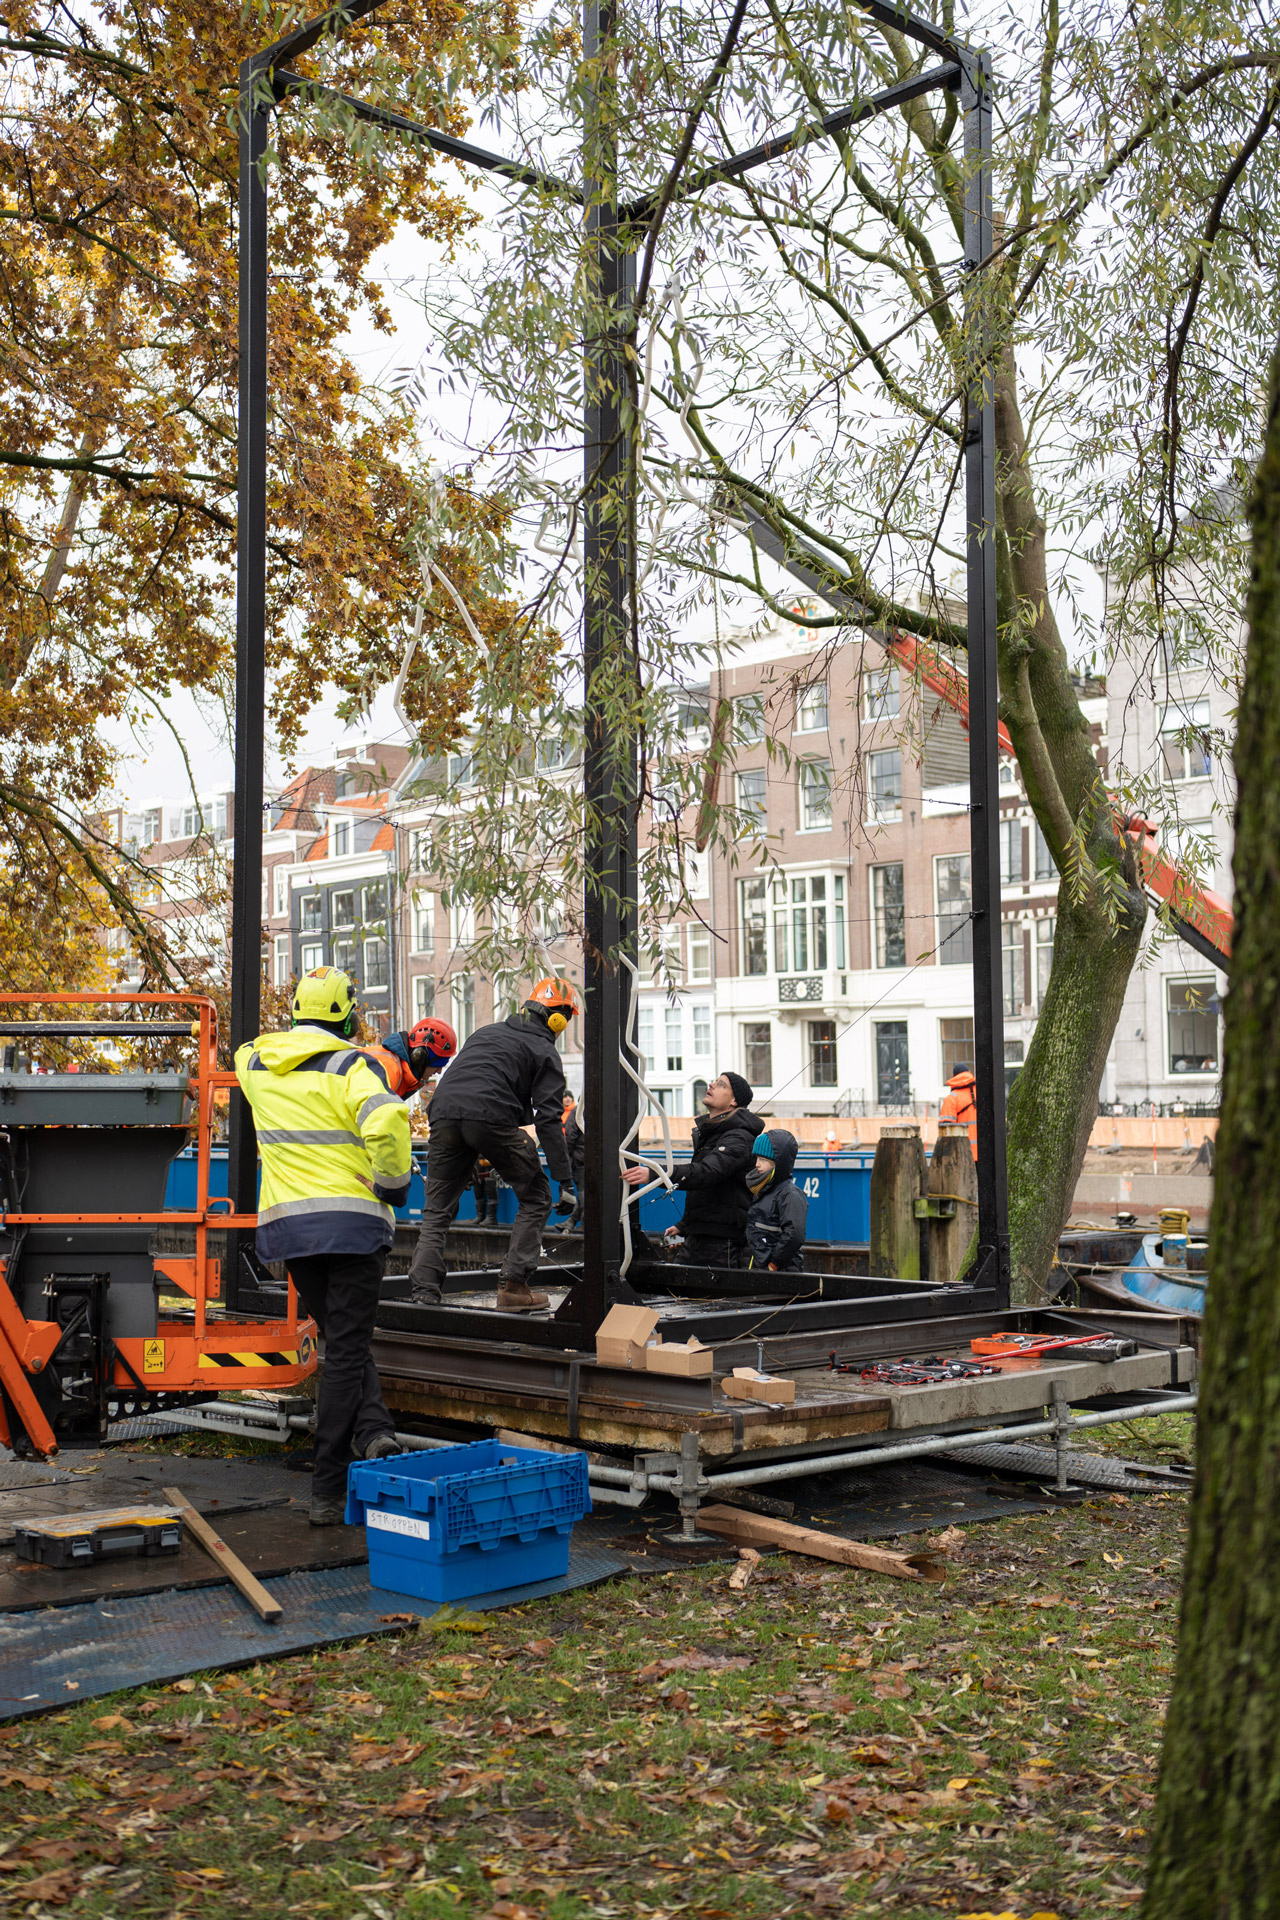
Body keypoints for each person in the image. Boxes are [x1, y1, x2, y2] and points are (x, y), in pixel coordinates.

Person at [234, 967, 413, 1526]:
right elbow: (387, 1118)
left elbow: (244, 1048)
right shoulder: (354, 1065)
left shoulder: (255, 1065)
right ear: (350, 1016)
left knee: (342, 1338)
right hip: (354, 1226)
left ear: (293, 1012)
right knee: (345, 1352)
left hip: (291, 1231)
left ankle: (376, 1432)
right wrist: (394, 1183)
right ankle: (327, 1489)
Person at [406, 977, 580, 1312]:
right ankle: (514, 1287)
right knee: (536, 1196)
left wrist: (468, 1157)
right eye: (566, 1019)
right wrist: (565, 1180)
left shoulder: (486, 1032)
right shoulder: (545, 1050)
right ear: (558, 1019)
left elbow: (468, 1086)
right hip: (489, 1114)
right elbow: (547, 1119)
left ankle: (424, 1293)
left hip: (442, 1114)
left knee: (437, 1208)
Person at [623, 1071, 765, 1268]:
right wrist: (685, 1225)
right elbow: (709, 1191)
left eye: (721, 1084)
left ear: (734, 1101)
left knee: (705, 1297)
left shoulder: (739, 1137)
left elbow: (707, 1173)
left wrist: (656, 1174)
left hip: (721, 1242)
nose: (712, 1084)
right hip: (700, 1236)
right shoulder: (714, 1133)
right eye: (714, 1080)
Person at [744, 1129, 808, 1272]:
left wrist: (774, 1264)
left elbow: (794, 1234)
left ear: (778, 1163)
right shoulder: (761, 1189)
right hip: (761, 1266)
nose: (757, 1164)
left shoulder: (789, 1194)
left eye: (763, 1160)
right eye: (757, 1159)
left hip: (780, 1271)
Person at [559, 1094, 585, 1229]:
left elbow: (570, 1135)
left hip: (579, 1159)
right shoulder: (599, 1112)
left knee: (582, 1191)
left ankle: (582, 1221)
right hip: (595, 1160)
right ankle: (572, 1222)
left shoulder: (576, 1113)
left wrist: (567, 1156)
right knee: (589, 1191)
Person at [940, 1068, 978, 1152]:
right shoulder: (981, 1093)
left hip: (963, 1153)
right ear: (969, 1073)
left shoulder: (951, 1098)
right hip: (984, 1153)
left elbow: (946, 1131)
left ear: (954, 1077)